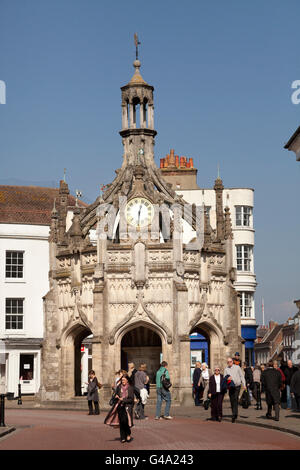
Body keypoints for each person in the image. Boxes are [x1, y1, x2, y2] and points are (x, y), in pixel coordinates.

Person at [105, 375, 134, 443]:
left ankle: (128, 434)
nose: (123, 381)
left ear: (127, 380)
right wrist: (116, 396)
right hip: (120, 406)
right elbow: (115, 395)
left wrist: (123, 399)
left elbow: (131, 399)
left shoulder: (130, 388)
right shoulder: (118, 387)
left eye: (124, 380)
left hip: (127, 406)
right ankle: (123, 437)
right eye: (122, 380)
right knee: (121, 421)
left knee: (125, 421)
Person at [224, 357, 246, 423]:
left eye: (230, 361)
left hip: (237, 385)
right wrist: (227, 379)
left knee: (235, 399)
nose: (229, 363)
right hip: (231, 386)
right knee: (231, 400)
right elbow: (225, 378)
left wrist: (244, 384)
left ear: (232, 362)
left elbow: (242, 376)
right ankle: (234, 412)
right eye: (228, 362)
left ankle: (234, 414)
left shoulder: (237, 367)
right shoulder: (226, 369)